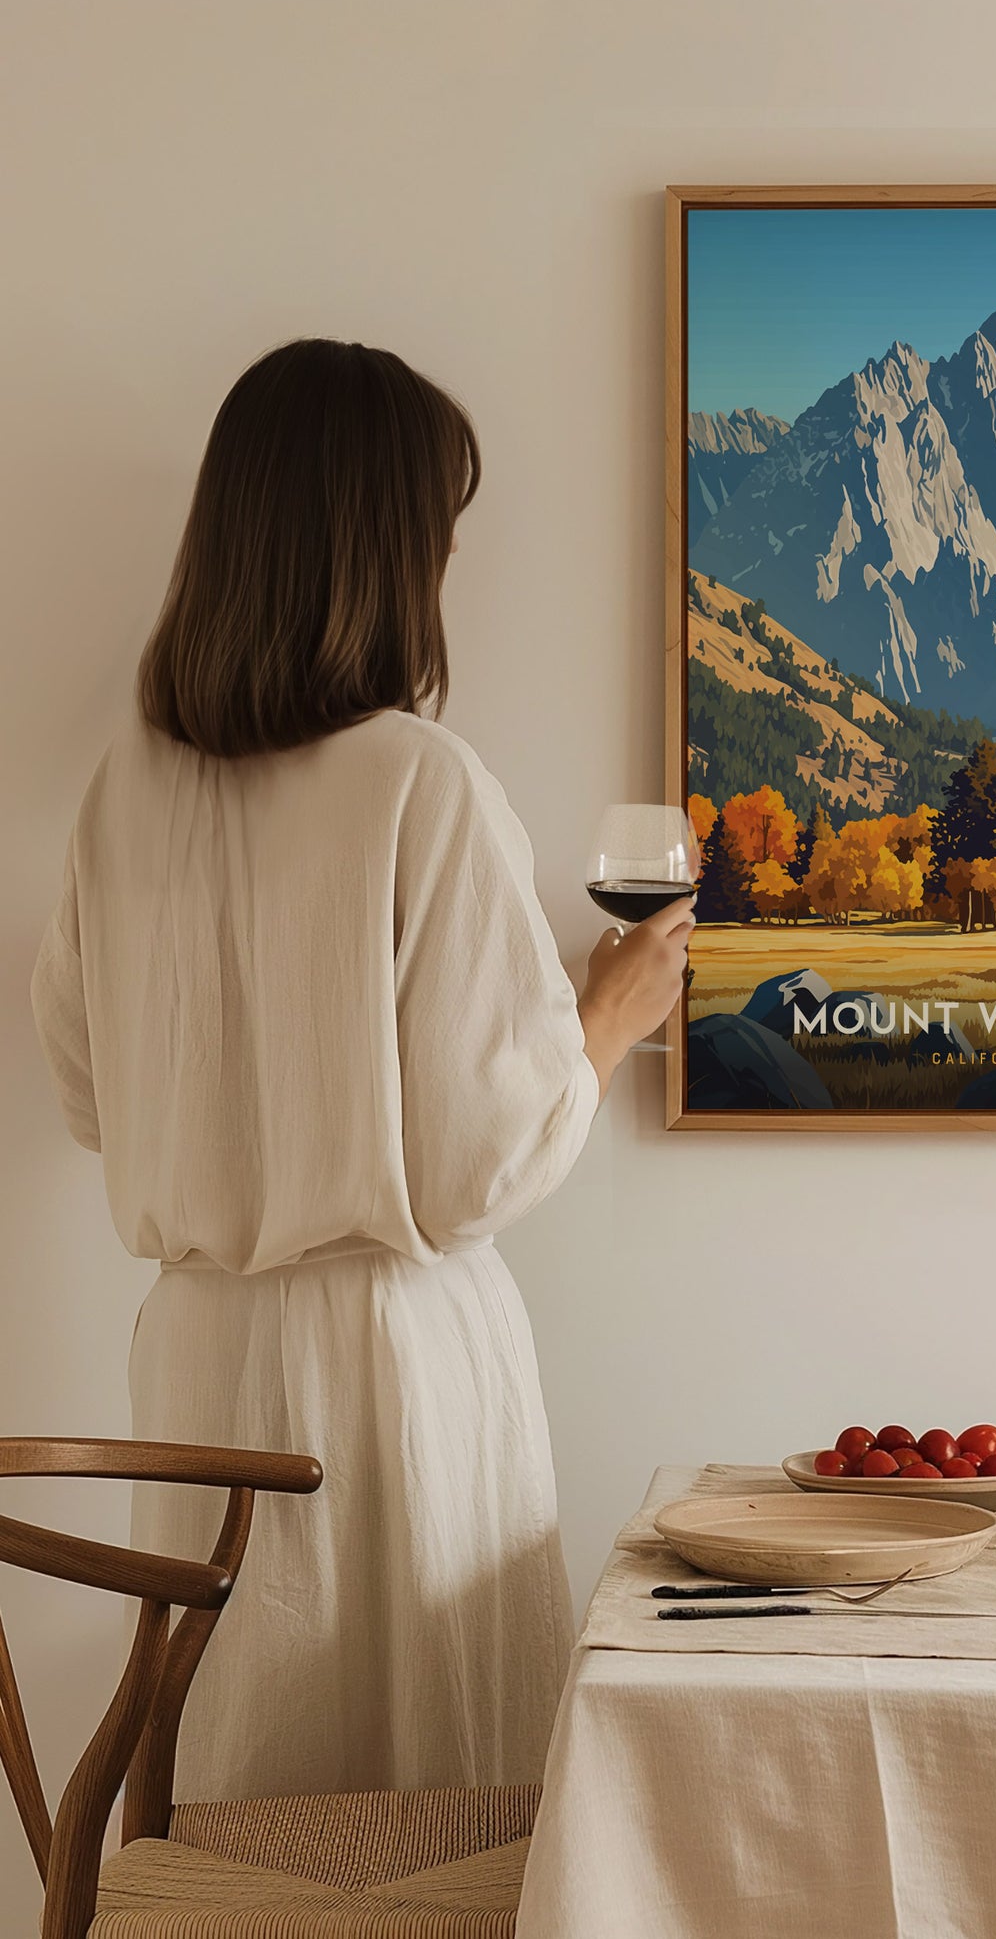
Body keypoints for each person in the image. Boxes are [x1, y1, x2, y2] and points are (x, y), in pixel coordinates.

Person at [29, 338, 690, 1799]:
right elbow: (474, 1167)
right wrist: (605, 1016)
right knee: (427, 1805)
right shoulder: (418, 780)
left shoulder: (124, 791)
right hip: (390, 1369)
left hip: (197, 1359)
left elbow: (87, 1092)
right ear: (386, 548)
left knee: (238, 1784)